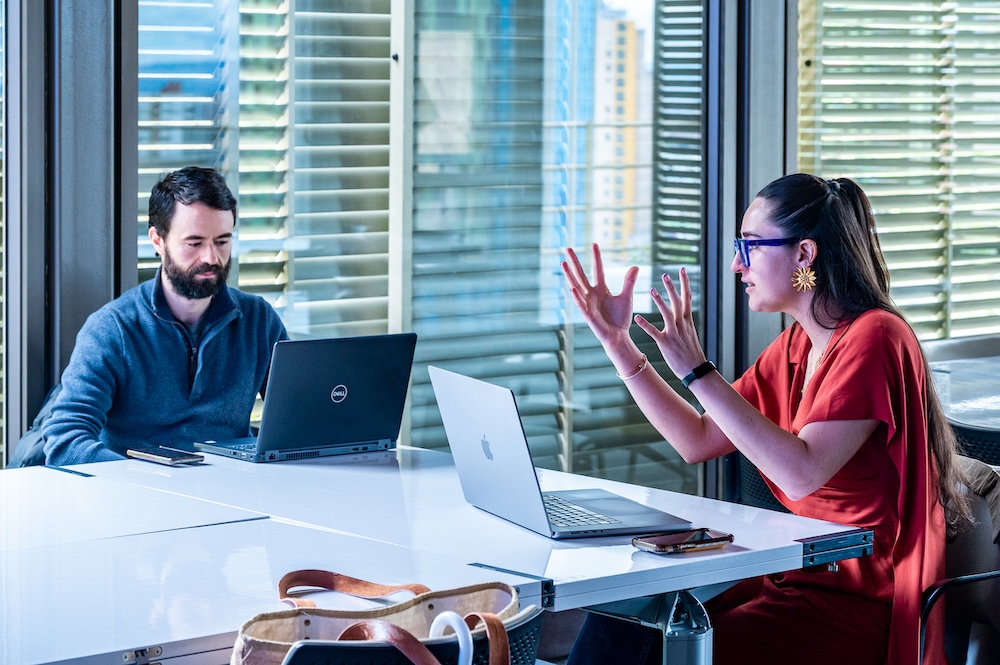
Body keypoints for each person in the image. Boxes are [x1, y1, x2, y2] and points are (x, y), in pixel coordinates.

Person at [560, 173, 972, 665]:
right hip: (797, 577)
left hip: (857, 603)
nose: (738, 264)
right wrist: (618, 343)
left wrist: (697, 371)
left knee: (663, 648)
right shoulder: (798, 344)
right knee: (625, 617)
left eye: (750, 245)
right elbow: (697, 439)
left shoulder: (876, 337)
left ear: (804, 254)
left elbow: (799, 473)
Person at [41, 166, 288, 465]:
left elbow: (300, 422)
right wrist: (142, 482)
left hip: (236, 484)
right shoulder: (113, 329)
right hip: (139, 489)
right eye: (194, 243)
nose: (211, 257)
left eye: (222, 241)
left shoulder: (259, 320)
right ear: (158, 240)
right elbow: (65, 439)